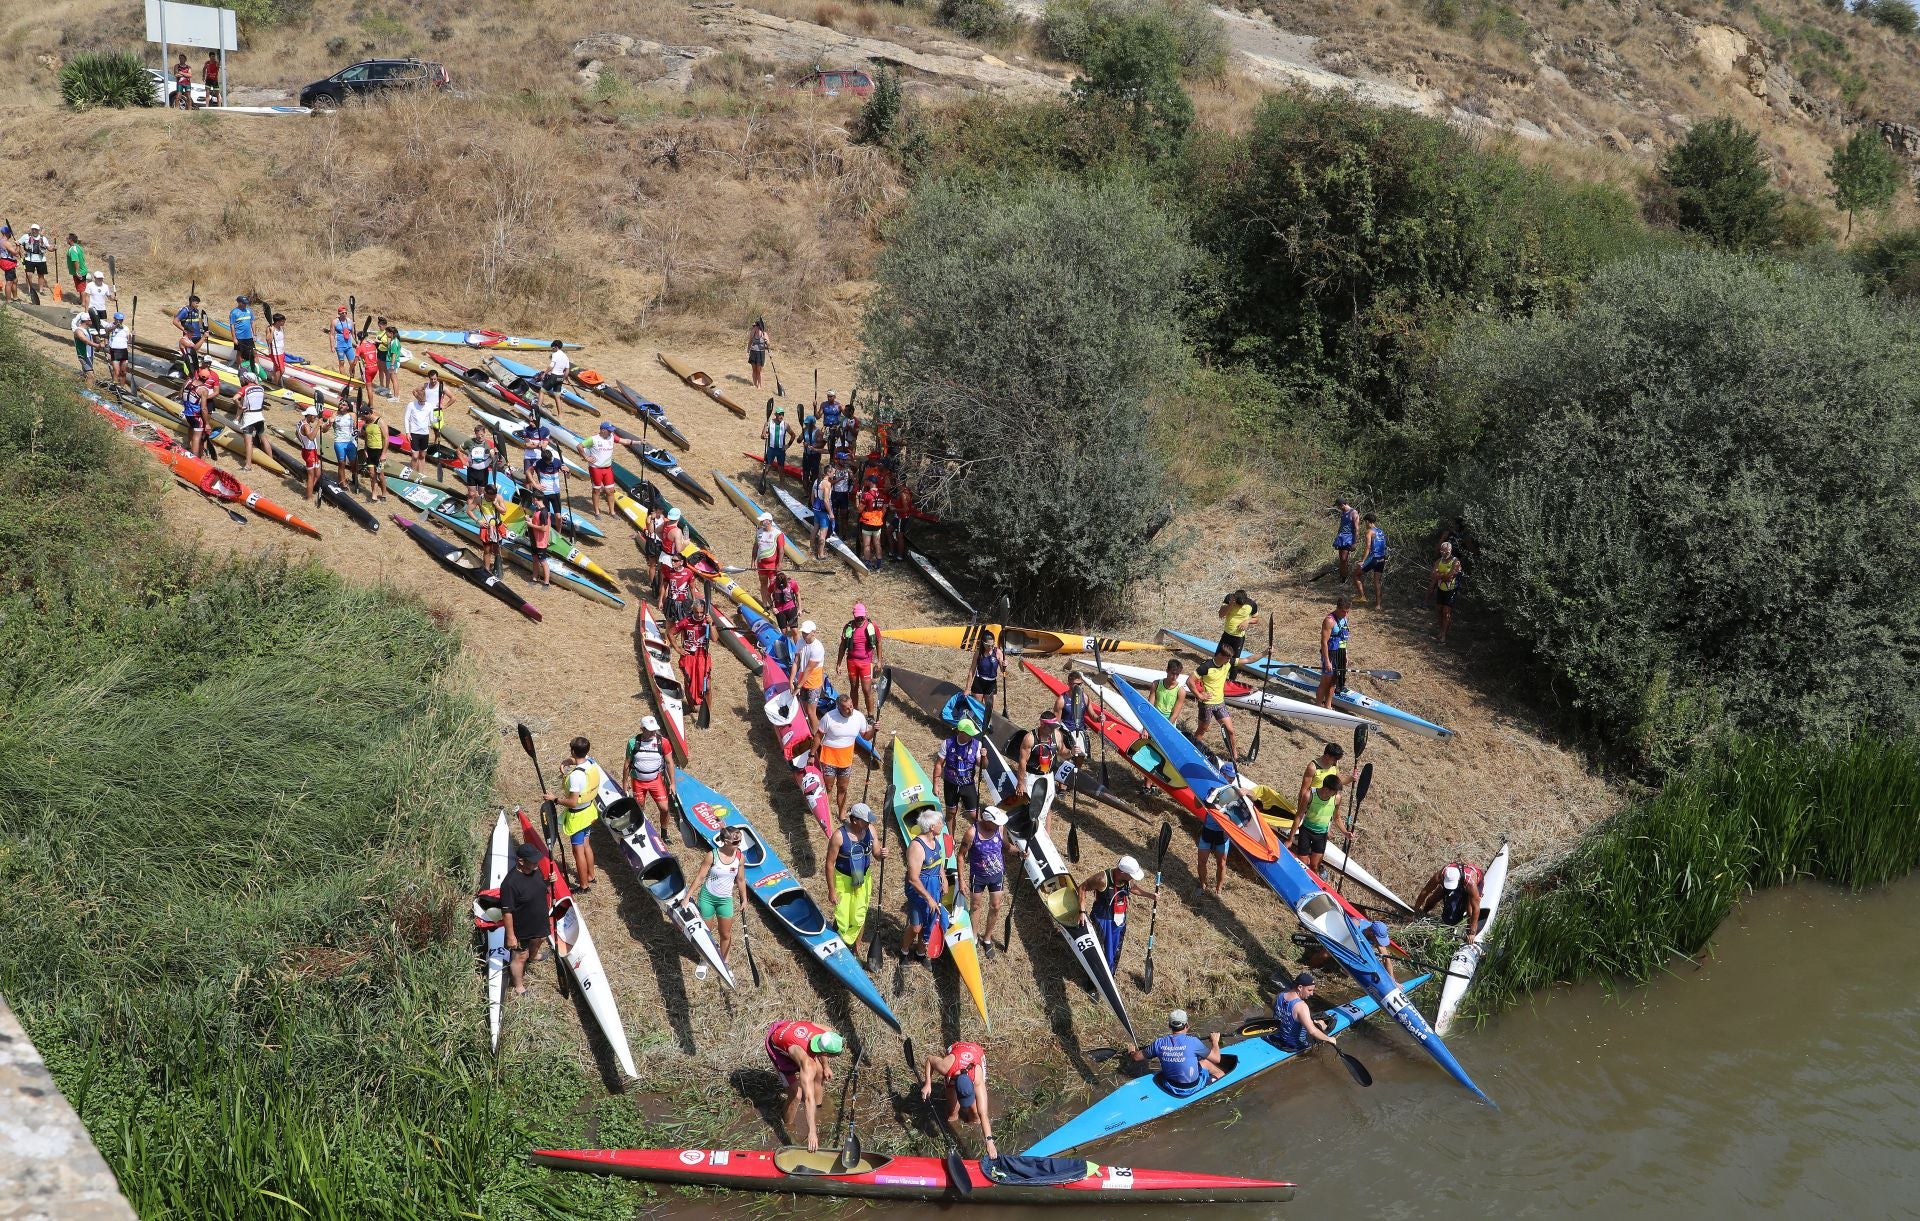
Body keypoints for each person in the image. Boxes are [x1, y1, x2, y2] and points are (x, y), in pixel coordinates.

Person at [764, 1017, 844, 1152]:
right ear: (825, 1052)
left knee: (819, 1072)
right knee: (796, 1094)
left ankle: (818, 1108)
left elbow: (822, 1048)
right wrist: (812, 1132)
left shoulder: (826, 1032)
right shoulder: (808, 1064)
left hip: (791, 1034)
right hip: (777, 1046)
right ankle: (788, 1126)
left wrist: (825, 1066)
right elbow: (807, 1098)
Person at [957, 805, 1018, 958]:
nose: (997, 825)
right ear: (986, 820)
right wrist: (962, 881)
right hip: (978, 876)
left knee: (996, 906)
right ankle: (974, 936)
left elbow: (1006, 846)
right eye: (995, 823)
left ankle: (987, 938)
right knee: (976, 906)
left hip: (996, 875)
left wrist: (1019, 853)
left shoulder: (1000, 828)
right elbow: (961, 856)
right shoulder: (972, 833)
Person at [542, 738, 603, 892]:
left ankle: (584, 885)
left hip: (578, 817)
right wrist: (566, 762)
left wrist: (554, 799)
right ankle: (591, 875)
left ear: (573, 751)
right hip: (589, 811)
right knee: (586, 845)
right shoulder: (591, 763)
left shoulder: (576, 777)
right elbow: (578, 759)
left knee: (578, 851)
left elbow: (573, 802)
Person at [825, 802, 883, 957]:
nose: (869, 823)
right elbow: (830, 863)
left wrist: (881, 854)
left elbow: (876, 853)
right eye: (866, 820)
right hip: (843, 881)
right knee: (843, 915)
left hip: (863, 879)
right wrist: (831, 890)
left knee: (860, 914)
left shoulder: (870, 830)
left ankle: (855, 948)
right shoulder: (839, 836)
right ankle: (840, 945)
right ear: (855, 820)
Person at [1125, 1010, 1227, 1097]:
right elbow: (1217, 1058)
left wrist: (1131, 1052)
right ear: (1187, 1025)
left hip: (1169, 1086)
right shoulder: (1194, 1042)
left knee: (1204, 1062)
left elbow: (1136, 1058)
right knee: (1220, 1073)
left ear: (1170, 1025)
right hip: (1191, 1089)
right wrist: (1215, 1041)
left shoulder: (1159, 1043)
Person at [920, 1040, 996, 1156]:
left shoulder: (977, 1079)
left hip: (975, 1053)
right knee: (952, 1113)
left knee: (976, 1115)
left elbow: (983, 1114)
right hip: (956, 1057)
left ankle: (972, 1119)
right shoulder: (946, 1067)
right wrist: (928, 1084)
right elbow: (930, 1059)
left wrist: (989, 1142)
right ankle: (954, 1115)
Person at [688, 825, 747, 973]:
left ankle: (725, 963)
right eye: (735, 842)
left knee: (725, 934)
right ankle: (704, 959)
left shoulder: (740, 857)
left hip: (725, 900)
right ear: (725, 841)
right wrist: (688, 897)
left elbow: (740, 880)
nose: (738, 844)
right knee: (706, 932)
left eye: (740, 841)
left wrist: (744, 899)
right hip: (707, 898)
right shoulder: (711, 855)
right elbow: (700, 877)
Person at [1080, 854, 1151, 971]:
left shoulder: (1127, 879)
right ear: (1123, 873)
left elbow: (1132, 888)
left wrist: (1150, 895)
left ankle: (1110, 973)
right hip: (1102, 921)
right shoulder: (1102, 879)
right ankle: (1095, 978)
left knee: (1114, 952)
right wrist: (1082, 911)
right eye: (1131, 876)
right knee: (1101, 952)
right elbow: (1082, 887)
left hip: (1119, 921)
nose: (1132, 878)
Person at [500, 841, 552, 998]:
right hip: (522, 926)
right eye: (533, 860)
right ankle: (518, 986)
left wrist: (548, 882)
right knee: (519, 956)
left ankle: (534, 955)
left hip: (539, 920)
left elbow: (539, 887)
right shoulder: (509, 884)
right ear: (521, 861)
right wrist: (510, 935)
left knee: (541, 938)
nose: (537, 862)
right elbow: (507, 912)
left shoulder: (534, 870)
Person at [900, 808, 947, 964]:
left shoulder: (936, 840)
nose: (942, 824)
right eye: (940, 822)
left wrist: (944, 878)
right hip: (919, 889)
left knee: (930, 923)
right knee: (916, 927)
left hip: (934, 885)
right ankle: (904, 951)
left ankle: (921, 953)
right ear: (931, 827)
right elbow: (913, 878)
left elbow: (938, 861)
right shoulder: (917, 847)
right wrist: (928, 898)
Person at [817, 690, 873, 821]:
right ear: (839, 708)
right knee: (828, 787)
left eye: (851, 706)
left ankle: (842, 815)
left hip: (846, 760)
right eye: (846, 708)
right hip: (829, 758)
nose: (850, 710)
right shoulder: (829, 717)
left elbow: (866, 736)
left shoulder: (858, 717)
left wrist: (873, 731)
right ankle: (826, 815)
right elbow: (818, 736)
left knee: (843, 788)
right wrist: (812, 754)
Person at [622, 716, 677, 825]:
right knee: (639, 808)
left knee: (665, 808)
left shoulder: (663, 742)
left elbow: (670, 762)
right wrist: (625, 781)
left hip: (656, 781)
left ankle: (664, 833)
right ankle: (641, 828)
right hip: (638, 781)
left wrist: (672, 783)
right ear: (642, 729)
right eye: (650, 730)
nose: (653, 732)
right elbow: (627, 763)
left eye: (655, 729)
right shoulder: (633, 743)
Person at [1270, 971, 1340, 1053]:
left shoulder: (1280, 995)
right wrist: (1329, 1039)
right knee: (1330, 1020)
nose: (1312, 994)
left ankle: (1313, 1022)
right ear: (1300, 987)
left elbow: (1276, 1012)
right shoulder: (1302, 1006)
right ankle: (1319, 1024)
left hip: (1275, 1036)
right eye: (1309, 990)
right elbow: (1312, 1031)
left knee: (1309, 1020)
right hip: (1292, 1044)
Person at [1414, 860, 1487, 938]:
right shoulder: (1441, 875)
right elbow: (1425, 891)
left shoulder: (1470, 883)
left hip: (1473, 882)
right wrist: (1415, 912)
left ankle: (1468, 934)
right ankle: (1423, 913)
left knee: (1469, 910)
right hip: (1458, 879)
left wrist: (1472, 932)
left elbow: (1476, 908)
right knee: (1434, 898)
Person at [1192, 649, 1240, 763]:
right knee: (1202, 730)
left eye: (1230, 658)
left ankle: (1235, 757)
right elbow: (1190, 681)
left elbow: (1248, 660)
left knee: (1230, 731)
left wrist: (1264, 653)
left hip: (1220, 703)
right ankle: (1192, 750)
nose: (1229, 661)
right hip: (1207, 704)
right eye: (1227, 658)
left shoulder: (1227, 663)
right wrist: (1199, 695)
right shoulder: (1206, 666)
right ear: (1220, 655)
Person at [935, 718, 986, 826]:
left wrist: (984, 757)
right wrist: (935, 784)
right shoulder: (947, 743)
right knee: (951, 812)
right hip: (950, 783)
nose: (971, 736)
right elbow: (939, 764)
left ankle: (978, 838)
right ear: (960, 732)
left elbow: (983, 766)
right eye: (969, 733)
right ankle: (950, 839)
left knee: (975, 816)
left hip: (967, 784)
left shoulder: (977, 744)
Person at [836, 604, 882, 718]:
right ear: (854, 616)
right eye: (857, 617)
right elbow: (842, 646)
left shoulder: (872, 626)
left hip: (866, 662)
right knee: (854, 687)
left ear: (865, 615)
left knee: (867, 689)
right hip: (852, 661)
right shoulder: (848, 627)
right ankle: (854, 712)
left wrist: (879, 661)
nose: (860, 620)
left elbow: (879, 642)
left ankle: (870, 715)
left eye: (862, 617)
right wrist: (838, 663)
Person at [1293, 772, 1341, 877]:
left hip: (1321, 835)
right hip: (1306, 831)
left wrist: (1346, 833)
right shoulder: (1309, 795)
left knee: (1314, 866)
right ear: (1326, 789)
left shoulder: (1336, 798)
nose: (1336, 794)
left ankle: (1313, 882)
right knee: (1303, 864)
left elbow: (1336, 818)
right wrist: (1289, 838)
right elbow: (1299, 815)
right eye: (1334, 791)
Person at [1009, 712, 1065, 795]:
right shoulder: (1029, 738)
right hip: (1032, 776)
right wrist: (1021, 783)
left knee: (1046, 805)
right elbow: (1022, 762)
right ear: (1042, 724)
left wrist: (1072, 752)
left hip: (1048, 776)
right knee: (1031, 805)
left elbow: (1063, 753)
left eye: (1054, 726)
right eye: (1050, 727)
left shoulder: (1057, 735)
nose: (1053, 729)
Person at [672, 599, 712, 714]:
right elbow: (670, 633)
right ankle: (691, 707)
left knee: (707, 686)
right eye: (696, 612)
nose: (699, 615)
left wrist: (711, 624)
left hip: (703, 656)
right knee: (688, 682)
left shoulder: (707, 621)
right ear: (692, 611)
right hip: (689, 656)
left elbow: (714, 638)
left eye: (701, 613)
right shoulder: (686, 621)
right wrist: (677, 648)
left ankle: (708, 711)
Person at [793, 620, 828, 745]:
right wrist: (791, 679)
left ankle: (817, 737)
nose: (804, 635)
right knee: (803, 708)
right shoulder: (801, 642)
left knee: (811, 711)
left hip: (813, 683)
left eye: (807, 633)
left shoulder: (818, 648)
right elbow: (796, 661)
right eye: (803, 633)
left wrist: (798, 686)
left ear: (814, 633)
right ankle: (806, 730)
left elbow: (809, 669)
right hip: (802, 679)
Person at [1314, 595, 1352, 709]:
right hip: (1330, 653)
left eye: (1347, 612)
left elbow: (1343, 638)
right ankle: (1317, 706)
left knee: (1333, 682)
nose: (1345, 614)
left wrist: (1345, 653)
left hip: (1339, 653)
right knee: (1326, 682)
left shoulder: (1345, 618)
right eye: (1343, 611)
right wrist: (1327, 662)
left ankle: (1328, 706)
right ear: (1337, 608)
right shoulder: (1329, 620)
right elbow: (1324, 642)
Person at [1296, 743, 1345, 823]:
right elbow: (1303, 791)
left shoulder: (1334, 764)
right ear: (1327, 755)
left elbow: (1340, 781)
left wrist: (1352, 778)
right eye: (1335, 759)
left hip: (1326, 807)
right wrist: (1300, 813)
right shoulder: (1312, 767)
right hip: (1312, 808)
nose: (1336, 761)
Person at [181, 365, 220, 460]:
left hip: (187, 413)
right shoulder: (204, 390)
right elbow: (203, 408)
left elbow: (181, 394)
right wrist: (207, 424)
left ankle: (189, 448)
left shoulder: (188, 382)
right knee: (197, 437)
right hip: (196, 416)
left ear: (198, 375)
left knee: (191, 428)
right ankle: (195, 460)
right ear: (207, 379)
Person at [1053, 670, 1093, 760]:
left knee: (1081, 755)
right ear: (1069, 684)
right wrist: (1057, 739)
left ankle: (1077, 771)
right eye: (1075, 684)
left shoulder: (1085, 697)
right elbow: (1056, 722)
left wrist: (1099, 718)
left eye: (1080, 684)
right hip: (1067, 731)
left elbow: (1093, 716)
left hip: (1080, 729)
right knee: (1067, 756)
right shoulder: (1061, 700)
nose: (1078, 687)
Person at [1430, 540, 1463, 644]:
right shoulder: (1438, 561)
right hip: (1441, 589)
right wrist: (1443, 575)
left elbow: (1450, 577)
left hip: (1451, 590)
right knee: (1439, 610)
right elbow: (1432, 575)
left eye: (1447, 552)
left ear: (1451, 551)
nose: (1444, 554)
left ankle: (1443, 636)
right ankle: (1441, 632)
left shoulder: (1455, 561)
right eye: (1442, 552)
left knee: (1446, 612)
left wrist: (1440, 575)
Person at [583, 421, 619, 516]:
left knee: (610, 490)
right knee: (596, 490)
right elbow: (579, 446)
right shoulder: (593, 439)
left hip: (607, 469)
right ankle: (597, 512)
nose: (611, 432)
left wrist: (639, 442)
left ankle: (612, 512)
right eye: (609, 431)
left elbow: (623, 441)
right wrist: (585, 457)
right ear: (603, 430)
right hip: (596, 469)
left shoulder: (611, 436)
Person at [234, 372, 268, 472]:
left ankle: (248, 466)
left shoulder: (245, 388)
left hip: (249, 418)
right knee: (264, 439)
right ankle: (270, 460)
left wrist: (239, 406)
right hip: (259, 416)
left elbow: (235, 398)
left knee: (248, 443)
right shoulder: (261, 388)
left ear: (247, 380)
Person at [969, 632, 1003, 729]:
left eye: (992, 644)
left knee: (990, 708)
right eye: (988, 645)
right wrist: (967, 689)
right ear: (983, 643)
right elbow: (972, 671)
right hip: (979, 682)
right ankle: (975, 726)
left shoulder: (997, 652)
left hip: (991, 683)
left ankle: (987, 726)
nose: (991, 647)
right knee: (977, 707)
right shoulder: (978, 653)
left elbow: (1002, 669)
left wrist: (1004, 665)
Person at [1353, 513, 1387, 607]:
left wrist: (1362, 560)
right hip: (1382, 558)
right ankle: (1378, 605)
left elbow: (1368, 547)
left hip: (1374, 558)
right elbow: (1384, 546)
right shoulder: (1381, 531)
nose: (1365, 524)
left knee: (1356, 575)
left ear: (1367, 521)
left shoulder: (1369, 532)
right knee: (1377, 581)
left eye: (1365, 522)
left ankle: (1362, 597)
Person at [403, 377, 436, 473]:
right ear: (417, 399)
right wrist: (407, 432)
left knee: (422, 456)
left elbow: (431, 421)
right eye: (421, 401)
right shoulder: (411, 405)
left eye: (424, 401)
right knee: (415, 456)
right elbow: (406, 419)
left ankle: (420, 475)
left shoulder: (429, 406)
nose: (422, 403)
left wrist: (437, 419)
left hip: (425, 434)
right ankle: (413, 474)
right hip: (414, 433)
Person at [474, 484, 507, 577]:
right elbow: (469, 510)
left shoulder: (498, 497)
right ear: (486, 493)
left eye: (494, 495)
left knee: (497, 549)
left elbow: (504, 511)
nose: (493, 497)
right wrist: (478, 521)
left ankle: (498, 568)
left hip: (497, 527)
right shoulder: (479, 499)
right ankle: (487, 571)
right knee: (487, 550)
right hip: (486, 528)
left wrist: (496, 504)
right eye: (491, 496)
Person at [751, 511, 782, 604]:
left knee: (774, 586)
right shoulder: (759, 532)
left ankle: (775, 605)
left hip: (773, 566)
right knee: (763, 584)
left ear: (768, 521)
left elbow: (781, 550)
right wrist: (753, 561)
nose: (761, 523)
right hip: (761, 565)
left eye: (763, 521)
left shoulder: (778, 534)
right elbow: (755, 547)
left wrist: (780, 564)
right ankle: (765, 605)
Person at [360, 398, 389, 495]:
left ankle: (384, 493)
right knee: (372, 475)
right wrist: (365, 449)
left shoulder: (380, 422)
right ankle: (374, 494)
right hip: (370, 452)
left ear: (368, 413)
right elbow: (366, 437)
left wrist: (384, 454)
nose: (362, 419)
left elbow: (386, 438)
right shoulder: (366, 424)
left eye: (363, 417)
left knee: (380, 474)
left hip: (379, 452)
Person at [328, 403, 360, 491]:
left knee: (354, 462)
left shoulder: (352, 415)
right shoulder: (334, 415)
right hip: (339, 442)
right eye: (340, 404)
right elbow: (324, 429)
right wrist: (329, 424)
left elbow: (355, 426)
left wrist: (355, 426)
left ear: (348, 407)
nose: (341, 406)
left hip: (351, 442)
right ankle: (342, 482)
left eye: (344, 404)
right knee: (342, 463)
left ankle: (354, 476)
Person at [523, 496, 554, 586]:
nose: (532, 500)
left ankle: (546, 582)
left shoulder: (544, 512)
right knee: (535, 559)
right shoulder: (537, 509)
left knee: (543, 561)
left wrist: (530, 525)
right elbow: (536, 521)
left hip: (541, 541)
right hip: (534, 539)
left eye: (532, 499)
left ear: (535, 499)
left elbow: (544, 528)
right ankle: (534, 578)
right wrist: (529, 520)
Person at [659, 553, 697, 625]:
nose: (673, 562)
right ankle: (668, 635)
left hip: (683, 603)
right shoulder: (669, 572)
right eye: (672, 560)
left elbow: (692, 588)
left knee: (683, 625)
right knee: (669, 623)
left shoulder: (688, 572)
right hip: (671, 602)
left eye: (675, 561)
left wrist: (694, 600)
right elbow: (664, 587)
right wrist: (661, 600)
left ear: (681, 562)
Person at [1218, 590, 1258, 657]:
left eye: (1242, 605)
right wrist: (1230, 604)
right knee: (1219, 655)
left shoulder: (1251, 604)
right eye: (1238, 604)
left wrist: (1247, 621)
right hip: (1226, 634)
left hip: (1238, 638)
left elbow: (1256, 619)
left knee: (1233, 659)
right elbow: (1221, 615)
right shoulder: (1229, 598)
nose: (1240, 607)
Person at [464, 428, 496, 509]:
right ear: (475, 434)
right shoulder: (470, 442)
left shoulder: (489, 444)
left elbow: (496, 458)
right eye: (478, 436)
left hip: (483, 472)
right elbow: (458, 450)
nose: (480, 437)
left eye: (482, 435)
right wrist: (464, 462)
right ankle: (469, 512)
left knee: (482, 495)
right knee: (471, 494)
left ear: (485, 433)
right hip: (472, 471)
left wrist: (494, 454)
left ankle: (481, 512)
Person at [856, 476, 885, 567]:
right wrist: (879, 517)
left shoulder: (866, 495)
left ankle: (867, 563)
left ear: (871, 482)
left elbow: (859, 510)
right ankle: (879, 564)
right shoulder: (881, 494)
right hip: (878, 522)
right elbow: (884, 509)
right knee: (877, 543)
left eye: (868, 481)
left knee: (867, 544)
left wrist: (857, 498)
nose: (866, 482)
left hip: (868, 522)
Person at [759, 404, 789, 491]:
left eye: (782, 414)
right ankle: (762, 482)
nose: (781, 416)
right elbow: (762, 436)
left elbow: (793, 435)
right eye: (779, 414)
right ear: (775, 414)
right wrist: (764, 435)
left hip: (780, 451)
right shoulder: (768, 423)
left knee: (781, 469)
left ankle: (782, 486)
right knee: (767, 467)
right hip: (771, 450)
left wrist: (788, 445)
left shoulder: (785, 425)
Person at [808, 466, 835, 560]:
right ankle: (821, 554)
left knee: (815, 529)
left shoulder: (817, 481)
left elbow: (812, 495)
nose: (834, 474)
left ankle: (811, 548)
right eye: (833, 473)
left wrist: (813, 505)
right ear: (828, 472)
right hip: (824, 511)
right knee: (823, 533)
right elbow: (826, 501)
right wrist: (831, 513)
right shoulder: (827, 484)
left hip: (816, 508)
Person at [297, 406, 324, 501]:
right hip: (309, 453)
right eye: (314, 417)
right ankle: (308, 497)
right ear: (309, 416)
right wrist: (317, 426)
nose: (315, 418)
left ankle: (310, 488)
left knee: (318, 473)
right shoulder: (306, 426)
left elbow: (297, 433)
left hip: (311, 451)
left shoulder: (301, 422)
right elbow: (311, 437)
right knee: (311, 475)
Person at [1150, 657, 1187, 724]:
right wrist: (1146, 727)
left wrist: (1166, 728)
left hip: (1169, 722)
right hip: (1154, 718)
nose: (1174, 677)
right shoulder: (1156, 684)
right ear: (1167, 670)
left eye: (1177, 674)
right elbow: (1150, 706)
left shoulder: (1181, 691)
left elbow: (1175, 715)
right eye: (1172, 673)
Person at [19, 224, 51, 302]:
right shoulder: (26, 237)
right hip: (29, 258)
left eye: (36, 229)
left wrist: (53, 248)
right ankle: (30, 290)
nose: (34, 231)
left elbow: (49, 247)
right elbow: (18, 243)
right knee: (29, 275)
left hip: (41, 259)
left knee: (41, 275)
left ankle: (41, 290)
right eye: (33, 229)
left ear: (38, 230)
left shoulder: (43, 238)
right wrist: (19, 251)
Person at [1333, 497, 1361, 584]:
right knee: (1341, 559)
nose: (1338, 508)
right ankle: (1342, 577)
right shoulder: (1343, 512)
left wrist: (1354, 543)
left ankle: (1344, 579)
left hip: (1348, 538)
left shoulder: (1353, 512)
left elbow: (1356, 528)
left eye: (1338, 506)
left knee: (1344, 559)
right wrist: (1337, 536)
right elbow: (1341, 525)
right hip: (1341, 537)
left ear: (1342, 504)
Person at [829, 450, 854, 540]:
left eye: (845, 460)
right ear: (838, 460)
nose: (844, 461)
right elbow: (830, 482)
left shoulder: (848, 469)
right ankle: (834, 531)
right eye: (842, 460)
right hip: (835, 494)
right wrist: (840, 479)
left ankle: (844, 534)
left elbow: (853, 481)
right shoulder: (833, 469)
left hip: (844, 495)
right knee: (834, 514)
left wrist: (852, 478)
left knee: (844, 515)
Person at [541, 339, 570, 412]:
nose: (552, 349)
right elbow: (567, 370)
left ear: (556, 347)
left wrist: (545, 373)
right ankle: (560, 415)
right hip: (560, 378)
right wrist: (564, 378)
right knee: (557, 397)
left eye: (553, 348)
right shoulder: (566, 356)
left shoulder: (555, 354)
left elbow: (551, 366)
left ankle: (537, 409)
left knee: (542, 391)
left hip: (554, 376)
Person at [70, 310, 99, 380]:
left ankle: (83, 387)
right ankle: (88, 391)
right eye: (91, 320)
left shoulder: (87, 329)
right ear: (86, 321)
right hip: (84, 355)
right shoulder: (79, 331)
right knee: (91, 375)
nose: (92, 321)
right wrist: (97, 345)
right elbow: (86, 341)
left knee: (86, 373)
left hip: (89, 355)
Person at [228, 295, 256, 366]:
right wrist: (234, 338)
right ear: (239, 302)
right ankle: (240, 368)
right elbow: (232, 325)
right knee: (239, 352)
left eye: (246, 303)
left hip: (249, 336)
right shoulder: (234, 312)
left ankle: (254, 367)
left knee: (253, 352)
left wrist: (254, 334)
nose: (245, 304)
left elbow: (252, 322)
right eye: (243, 303)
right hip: (239, 337)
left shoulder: (249, 310)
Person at [105, 311, 131, 387]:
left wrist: (133, 335)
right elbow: (107, 330)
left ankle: (122, 388)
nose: (119, 321)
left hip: (123, 351)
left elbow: (129, 341)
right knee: (116, 371)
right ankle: (114, 387)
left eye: (121, 320)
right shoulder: (111, 325)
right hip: (114, 351)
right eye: (117, 319)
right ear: (114, 319)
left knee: (123, 372)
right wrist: (116, 326)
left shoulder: (126, 328)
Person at [329, 305, 355, 375]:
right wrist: (332, 346)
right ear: (339, 313)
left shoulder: (350, 321)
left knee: (353, 363)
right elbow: (331, 334)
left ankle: (352, 378)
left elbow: (353, 333)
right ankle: (344, 380)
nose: (344, 314)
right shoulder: (334, 322)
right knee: (342, 363)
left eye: (345, 313)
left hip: (349, 345)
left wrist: (357, 342)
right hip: (340, 346)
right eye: (342, 313)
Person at [747, 318, 771, 388]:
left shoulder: (764, 334)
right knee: (754, 369)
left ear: (758, 326)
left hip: (760, 353)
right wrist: (748, 350)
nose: (753, 327)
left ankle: (760, 385)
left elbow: (768, 344)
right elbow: (750, 341)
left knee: (759, 371)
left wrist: (766, 341)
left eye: (754, 326)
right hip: (753, 352)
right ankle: (754, 384)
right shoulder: (752, 333)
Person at [64, 233, 87, 300]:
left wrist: (77, 271)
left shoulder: (73, 249)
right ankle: (81, 300)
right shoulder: (77, 246)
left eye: (67, 238)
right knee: (80, 287)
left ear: (70, 240)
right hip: (80, 271)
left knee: (82, 288)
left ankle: (83, 303)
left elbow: (75, 260)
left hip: (79, 272)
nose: (66, 240)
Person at [0, 226, 15, 303]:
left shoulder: (1, 241)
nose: (11, 234)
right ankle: (8, 300)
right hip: (8, 263)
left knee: (15, 280)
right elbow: (15, 253)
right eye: (10, 233)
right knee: (9, 282)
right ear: (6, 233)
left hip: (4, 262)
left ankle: (15, 297)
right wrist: (18, 246)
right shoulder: (6, 243)